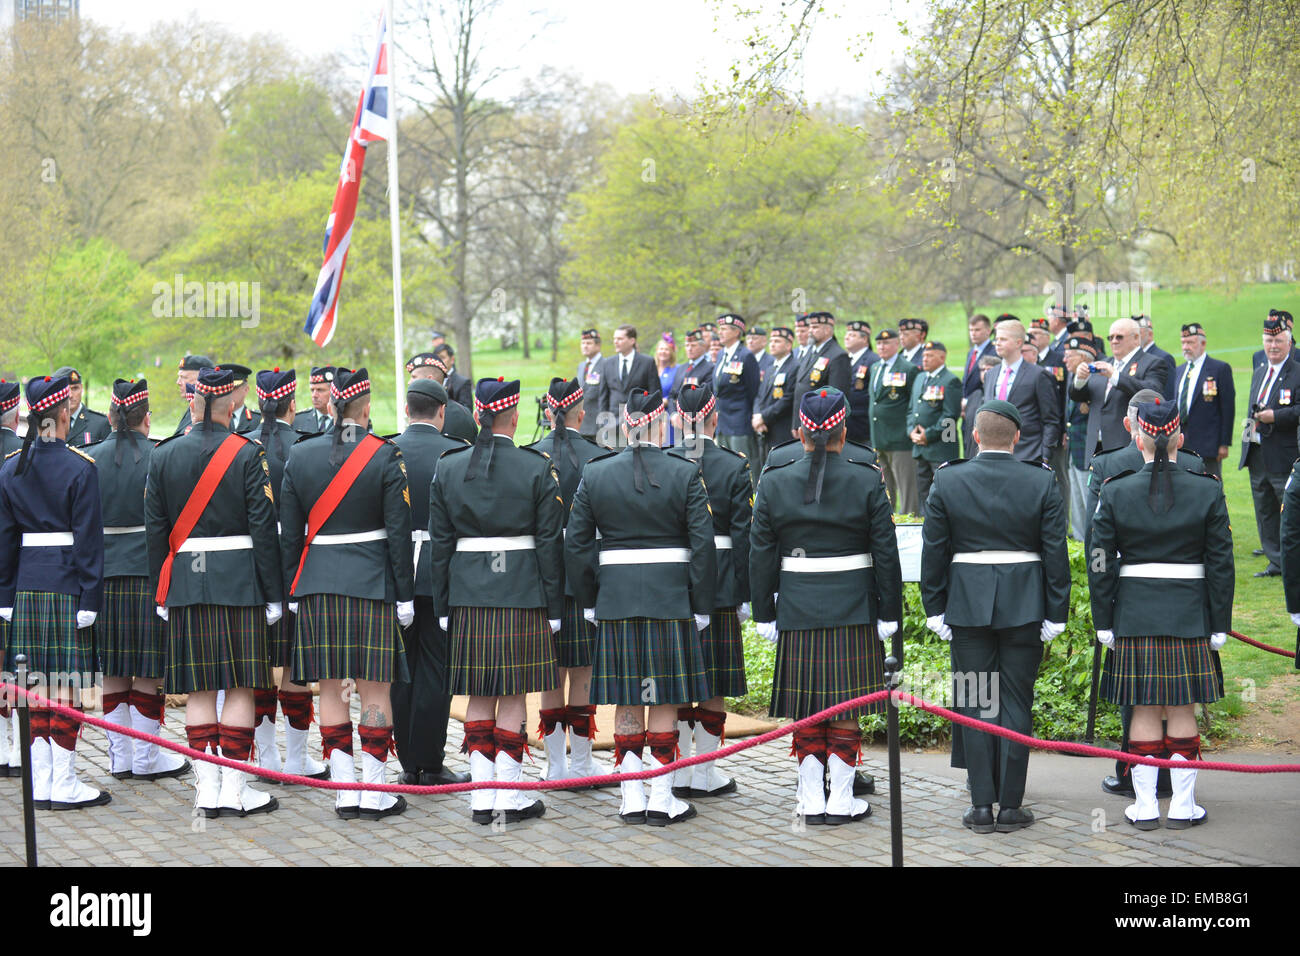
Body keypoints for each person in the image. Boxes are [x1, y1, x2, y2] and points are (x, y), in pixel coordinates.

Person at [750, 386, 901, 825]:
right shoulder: (867, 476)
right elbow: (885, 552)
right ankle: (840, 800)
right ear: (843, 432)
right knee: (846, 705)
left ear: (800, 434)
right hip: (853, 606)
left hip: (796, 607)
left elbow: (760, 553)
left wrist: (763, 611)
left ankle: (812, 797)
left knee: (808, 705)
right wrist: (889, 610)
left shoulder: (773, 480)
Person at [565, 387, 715, 826]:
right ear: (662, 422)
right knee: (664, 695)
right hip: (670, 601)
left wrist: (590, 600)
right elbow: (703, 546)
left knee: (628, 698)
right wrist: (700, 602)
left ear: (627, 423)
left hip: (616, 600)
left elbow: (576, 546)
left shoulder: (596, 473)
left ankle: (632, 797)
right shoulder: (685, 472)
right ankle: (662, 798)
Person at [920, 398, 1070, 833]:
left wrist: (936, 606)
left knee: (975, 699)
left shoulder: (948, 479)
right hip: (1025, 603)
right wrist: (1055, 611)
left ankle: (981, 806)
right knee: (1016, 702)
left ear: (975, 436)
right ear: (1018, 437)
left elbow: (935, 550)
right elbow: (1054, 552)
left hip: (967, 603)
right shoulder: (1040, 480)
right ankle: (1010, 807)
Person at [145, 366, 283, 819]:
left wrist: (161, 592)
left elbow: (156, 534)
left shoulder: (163, 455)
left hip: (186, 582)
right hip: (239, 581)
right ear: (230, 407)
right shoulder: (248, 453)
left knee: (200, 686)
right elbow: (264, 530)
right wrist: (273, 592)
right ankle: (235, 789)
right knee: (241, 685)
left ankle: (206, 790)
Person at [1091, 399, 1231, 829]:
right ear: (1180, 440)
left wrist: (1103, 619)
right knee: (1182, 706)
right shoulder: (1207, 487)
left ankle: (1147, 805)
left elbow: (1099, 559)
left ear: (1138, 439)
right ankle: (1184, 807)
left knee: (1145, 708)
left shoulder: (1114, 488)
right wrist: (1219, 622)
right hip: (1190, 614)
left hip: (1134, 612)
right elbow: (1221, 562)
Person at [279, 368, 412, 820]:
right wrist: (406, 595)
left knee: (330, 687)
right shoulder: (385, 456)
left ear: (332, 407)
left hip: (317, 584)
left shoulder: (301, 456)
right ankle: (374, 792)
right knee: (376, 690)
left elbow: (290, 537)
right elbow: (399, 535)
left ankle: (344, 789)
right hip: (371, 585)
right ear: (366, 408)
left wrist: (291, 589)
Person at [429, 377, 563, 826]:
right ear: (514, 417)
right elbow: (549, 547)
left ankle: (482, 798)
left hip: (468, 595)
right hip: (522, 595)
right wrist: (556, 608)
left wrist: (443, 606)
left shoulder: (448, 466)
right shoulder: (535, 467)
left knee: (478, 693)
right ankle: (509, 793)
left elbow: (440, 547)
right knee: (512, 693)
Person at [0, 374, 108, 810]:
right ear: (64, 413)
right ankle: (61, 782)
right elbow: (88, 541)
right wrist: (91, 598)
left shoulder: (11, 467)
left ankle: (41, 781)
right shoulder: (80, 466)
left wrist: (5, 596)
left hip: (26, 589)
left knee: (33, 686)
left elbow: (6, 540)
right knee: (65, 687)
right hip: (66, 588)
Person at [89, 378, 190, 783]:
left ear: (112, 417)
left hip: (106, 577)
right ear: (145, 419)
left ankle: (120, 757)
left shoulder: (89, 458)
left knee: (113, 667)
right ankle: (147, 758)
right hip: (150, 576)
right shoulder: (160, 455)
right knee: (148, 668)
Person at [668, 384, 751, 798]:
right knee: (714, 679)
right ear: (715, 419)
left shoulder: (666, 461)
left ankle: (682, 768)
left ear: (677, 420)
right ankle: (705, 771)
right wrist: (745, 592)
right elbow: (744, 537)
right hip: (718, 583)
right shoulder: (735, 466)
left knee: (680, 677)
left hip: (673, 581)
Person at [247, 369, 328, 781]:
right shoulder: (305, 447)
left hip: (252, 567)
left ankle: (268, 759)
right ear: (292, 404)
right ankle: (296, 759)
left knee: (260, 664)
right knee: (295, 665)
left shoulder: (242, 444)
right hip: (297, 563)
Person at [527, 377, 608, 784]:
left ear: (547, 413)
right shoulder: (599, 456)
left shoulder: (531, 456)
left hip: (541, 575)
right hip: (586, 573)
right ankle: (580, 765)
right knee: (582, 671)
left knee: (549, 672)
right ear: (581, 413)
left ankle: (554, 764)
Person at [391, 378, 471, 786]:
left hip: (397, 571)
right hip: (442, 570)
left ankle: (407, 759)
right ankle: (430, 760)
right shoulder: (457, 453)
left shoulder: (387, 450)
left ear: (407, 411)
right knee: (437, 670)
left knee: (400, 670)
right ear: (442, 412)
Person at [1239, 312, 1300, 578]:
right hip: (1256, 449)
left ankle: (1293, 563)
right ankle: (1276, 561)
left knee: (1289, 509)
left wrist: (1275, 416)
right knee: (1264, 509)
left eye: (1278, 342)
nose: (1272, 347)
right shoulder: (1260, 367)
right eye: (1268, 341)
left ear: (1289, 343)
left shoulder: (1297, 372)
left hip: (1284, 452)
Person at [1069, 317, 1167, 467]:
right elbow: (1081, 396)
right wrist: (1080, 380)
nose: (1114, 341)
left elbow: (1151, 393)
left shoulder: (1152, 363)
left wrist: (1115, 376)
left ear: (1136, 338)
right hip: (1096, 446)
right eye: (1111, 337)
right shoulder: (1104, 363)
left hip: (1126, 445)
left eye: (1119, 337)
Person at [987, 319, 1063, 466]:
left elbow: (1051, 420)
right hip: (994, 455)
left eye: (1003, 339)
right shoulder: (991, 375)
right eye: (996, 339)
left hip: (1029, 455)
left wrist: (1045, 456)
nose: (997, 343)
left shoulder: (1038, 375)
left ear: (1018, 343)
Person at [1173, 323, 1235, 479]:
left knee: (1210, 488)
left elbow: (1227, 408)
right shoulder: (1179, 371)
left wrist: (1224, 443)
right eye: (1183, 343)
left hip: (1208, 444)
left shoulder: (1219, 369)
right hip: (1180, 444)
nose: (1186, 347)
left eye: (1190, 342)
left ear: (1203, 343)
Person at [908, 341, 962, 515]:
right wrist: (911, 431)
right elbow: (911, 410)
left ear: (942, 357)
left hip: (940, 448)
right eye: (924, 355)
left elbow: (950, 416)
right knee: (923, 492)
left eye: (930, 355)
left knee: (941, 492)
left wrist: (928, 435)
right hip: (919, 446)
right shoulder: (919, 378)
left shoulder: (950, 380)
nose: (925, 359)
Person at [870, 329, 920, 514]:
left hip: (900, 439)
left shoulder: (908, 369)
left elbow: (913, 404)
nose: (882, 347)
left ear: (896, 344)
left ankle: (909, 523)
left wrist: (909, 430)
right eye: (879, 344)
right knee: (885, 487)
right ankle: (887, 521)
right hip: (879, 437)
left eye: (886, 343)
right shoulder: (875, 368)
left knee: (906, 487)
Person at [712, 313, 761, 486]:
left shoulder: (746, 356)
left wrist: (754, 416)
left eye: (724, 329)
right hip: (722, 421)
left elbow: (754, 391)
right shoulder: (720, 355)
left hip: (740, 421)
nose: (720, 332)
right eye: (720, 329)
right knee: (726, 465)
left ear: (736, 332)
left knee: (744, 465)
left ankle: (751, 501)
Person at [593, 325, 659, 448]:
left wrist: (650, 423)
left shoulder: (647, 362)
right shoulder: (608, 363)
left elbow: (654, 394)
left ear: (632, 340)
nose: (615, 342)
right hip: (613, 425)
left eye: (620, 339)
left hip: (640, 425)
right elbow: (603, 396)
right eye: (614, 339)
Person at [791, 311, 851, 426]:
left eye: (815, 327)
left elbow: (835, 398)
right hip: (803, 422)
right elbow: (800, 388)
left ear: (827, 330)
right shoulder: (810, 351)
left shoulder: (838, 356)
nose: (810, 331)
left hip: (819, 425)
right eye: (809, 327)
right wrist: (796, 423)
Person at [408, 352, 477, 444]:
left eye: (414, 377)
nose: (409, 382)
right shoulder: (464, 413)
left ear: (429, 379)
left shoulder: (420, 412)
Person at [752, 326, 795, 463]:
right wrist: (757, 416)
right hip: (765, 429)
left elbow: (788, 399)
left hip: (782, 429)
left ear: (788, 345)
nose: (772, 344)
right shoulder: (770, 369)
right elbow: (759, 396)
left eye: (777, 341)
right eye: (771, 341)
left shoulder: (795, 367)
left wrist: (764, 417)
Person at [53, 367, 111, 448]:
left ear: (82, 388)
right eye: (65, 390)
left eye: (75, 388)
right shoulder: (47, 422)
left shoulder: (100, 423)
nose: (70, 395)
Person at [845, 319, 879, 446]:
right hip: (847, 424)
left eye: (853, 335)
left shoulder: (873, 360)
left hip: (862, 424)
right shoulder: (845, 358)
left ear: (865, 339)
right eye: (847, 334)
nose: (847, 337)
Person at [961, 354, 1000, 457]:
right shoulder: (974, 395)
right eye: (983, 370)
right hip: (971, 452)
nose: (985, 372)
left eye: (989, 369)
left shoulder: (998, 395)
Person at [1135, 315, 1178, 401]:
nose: (1135, 338)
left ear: (1150, 334)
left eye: (1138, 334)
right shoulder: (1135, 357)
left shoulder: (1164, 357)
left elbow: (1169, 394)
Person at [670, 329, 714, 407]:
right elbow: (672, 396)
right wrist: (673, 414)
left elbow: (705, 398)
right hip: (676, 415)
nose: (689, 349)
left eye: (693, 345)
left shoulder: (710, 368)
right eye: (687, 345)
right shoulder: (681, 368)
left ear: (703, 347)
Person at [961, 314, 996, 405]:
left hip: (982, 403)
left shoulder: (995, 352)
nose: (973, 333)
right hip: (967, 404)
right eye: (971, 330)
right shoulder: (972, 351)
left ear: (988, 331)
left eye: (977, 330)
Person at [577, 328, 605, 441]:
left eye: (589, 343)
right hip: (581, 425)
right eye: (583, 343)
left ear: (598, 346)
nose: (585, 346)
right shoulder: (581, 366)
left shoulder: (606, 365)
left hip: (598, 425)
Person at [219, 364, 260, 434]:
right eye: (224, 388)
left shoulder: (258, 420)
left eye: (233, 388)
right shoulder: (213, 418)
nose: (228, 392)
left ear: (246, 390)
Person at [297, 366, 336, 434]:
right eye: (312, 390)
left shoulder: (346, 420)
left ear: (333, 391)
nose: (314, 395)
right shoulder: (298, 420)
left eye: (320, 390)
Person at [655, 333, 678, 446]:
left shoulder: (677, 370)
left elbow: (676, 393)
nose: (663, 352)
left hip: (668, 413)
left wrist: (666, 401)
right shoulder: (651, 367)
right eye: (661, 349)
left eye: (666, 349)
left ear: (672, 352)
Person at [433, 344, 473, 409]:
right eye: (436, 358)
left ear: (452, 360)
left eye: (442, 358)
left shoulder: (462, 383)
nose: (439, 361)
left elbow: (466, 413)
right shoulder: (431, 380)